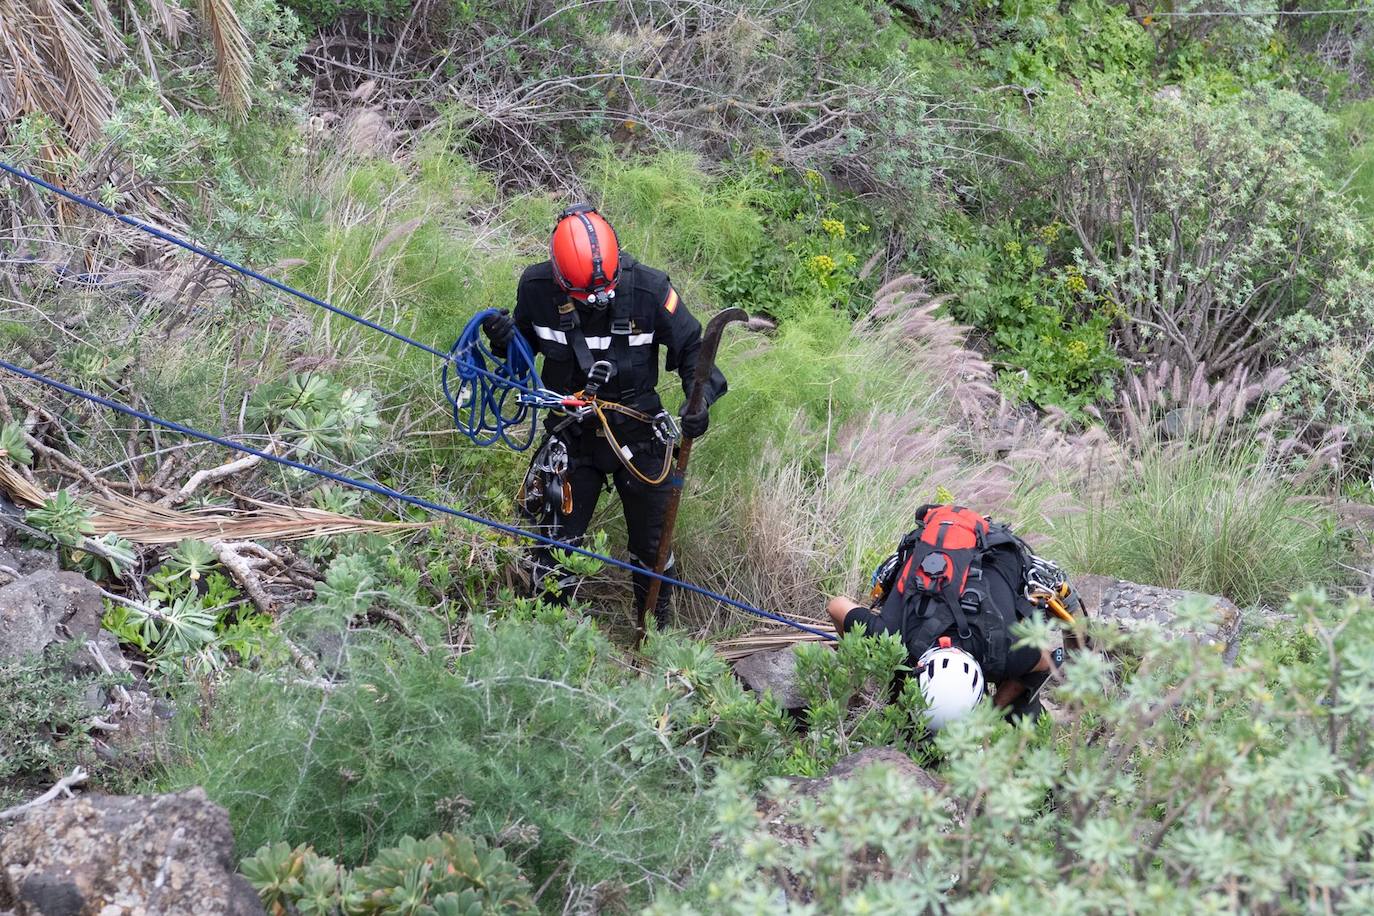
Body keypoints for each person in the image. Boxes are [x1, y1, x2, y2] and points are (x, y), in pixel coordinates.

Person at [481, 204, 727, 625]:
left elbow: (693, 350)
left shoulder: (650, 289)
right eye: (582, 297)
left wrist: (698, 400)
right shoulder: (537, 288)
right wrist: (504, 342)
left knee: (653, 546)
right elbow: (518, 363)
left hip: (638, 429)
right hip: (571, 430)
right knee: (555, 546)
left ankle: (654, 636)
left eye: (604, 294)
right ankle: (547, 637)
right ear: (560, 278)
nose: (595, 304)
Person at [825, 504, 1078, 729]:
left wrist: (992, 710)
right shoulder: (892, 639)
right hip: (936, 589)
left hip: (993, 557)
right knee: (894, 671)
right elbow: (835, 605)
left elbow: (1046, 661)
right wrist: (868, 664)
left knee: (1021, 715)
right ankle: (906, 708)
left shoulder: (1004, 653)